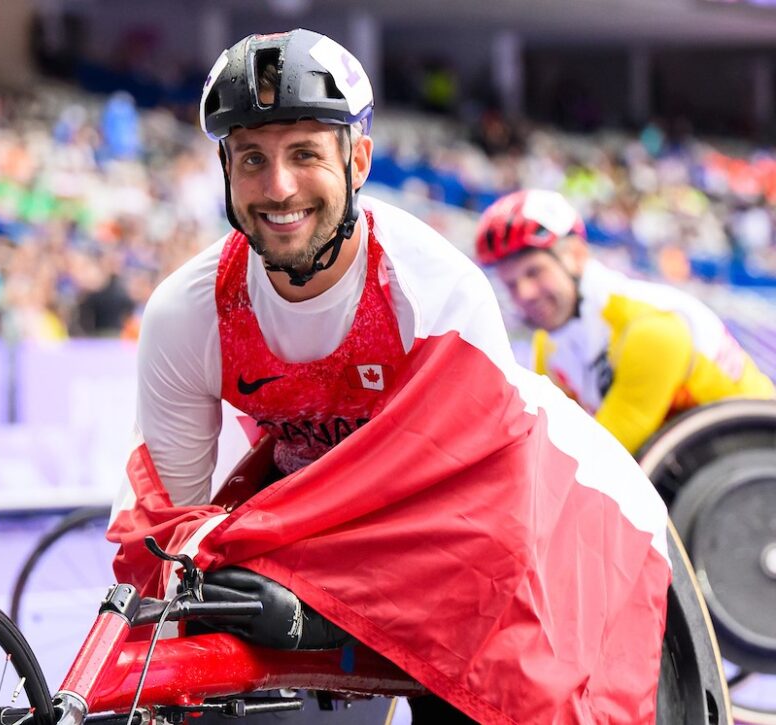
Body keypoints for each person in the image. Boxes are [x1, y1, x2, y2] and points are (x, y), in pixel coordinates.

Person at [108, 29, 672, 723]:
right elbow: (171, 530)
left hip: (547, 507)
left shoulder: (435, 293)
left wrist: (322, 613)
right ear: (225, 170)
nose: (277, 186)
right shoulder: (185, 315)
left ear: (359, 160)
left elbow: (486, 536)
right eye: (252, 157)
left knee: (499, 691)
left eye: (305, 154)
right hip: (331, 521)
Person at [474, 188, 775, 454]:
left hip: (754, 464)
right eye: (511, 284)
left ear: (576, 256)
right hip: (706, 468)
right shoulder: (548, 346)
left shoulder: (650, 329)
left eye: (534, 272)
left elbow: (600, 460)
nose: (524, 293)